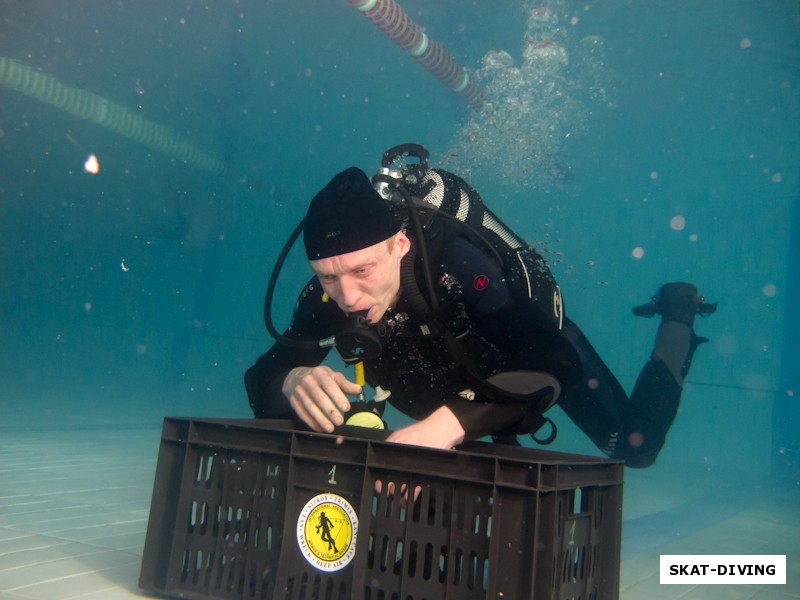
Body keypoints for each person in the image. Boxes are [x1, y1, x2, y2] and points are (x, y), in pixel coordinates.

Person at [245, 146, 716, 467]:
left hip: (519, 354)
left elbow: (555, 358)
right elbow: (262, 374)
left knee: (634, 447)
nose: (346, 297)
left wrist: (449, 424)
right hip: (452, 395)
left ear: (400, 244)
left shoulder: (459, 264)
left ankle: (678, 315)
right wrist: (292, 379)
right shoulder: (329, 295)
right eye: (328, 275)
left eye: (362, 271)